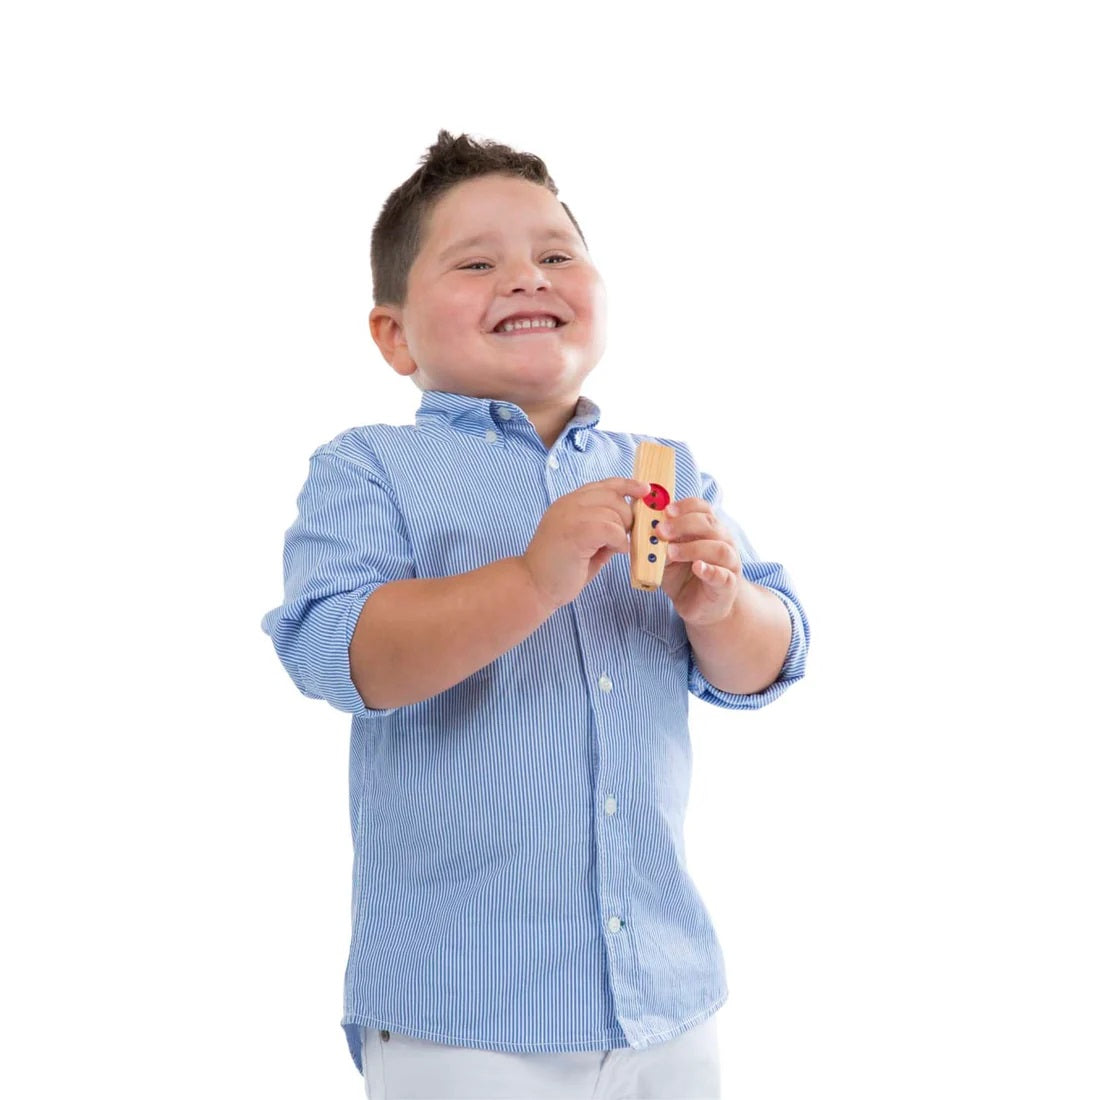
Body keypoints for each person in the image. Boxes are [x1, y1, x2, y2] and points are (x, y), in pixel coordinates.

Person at [260, 129, 810, 1099]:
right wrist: (531, 578)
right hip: (463, 1009)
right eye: (476, 263)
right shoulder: (369, 467)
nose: (526, 276)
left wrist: (722, 607)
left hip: (665, 996)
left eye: (555, 254)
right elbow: (345, 654)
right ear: (394, 335)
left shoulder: (665, 469)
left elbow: (766, 662)